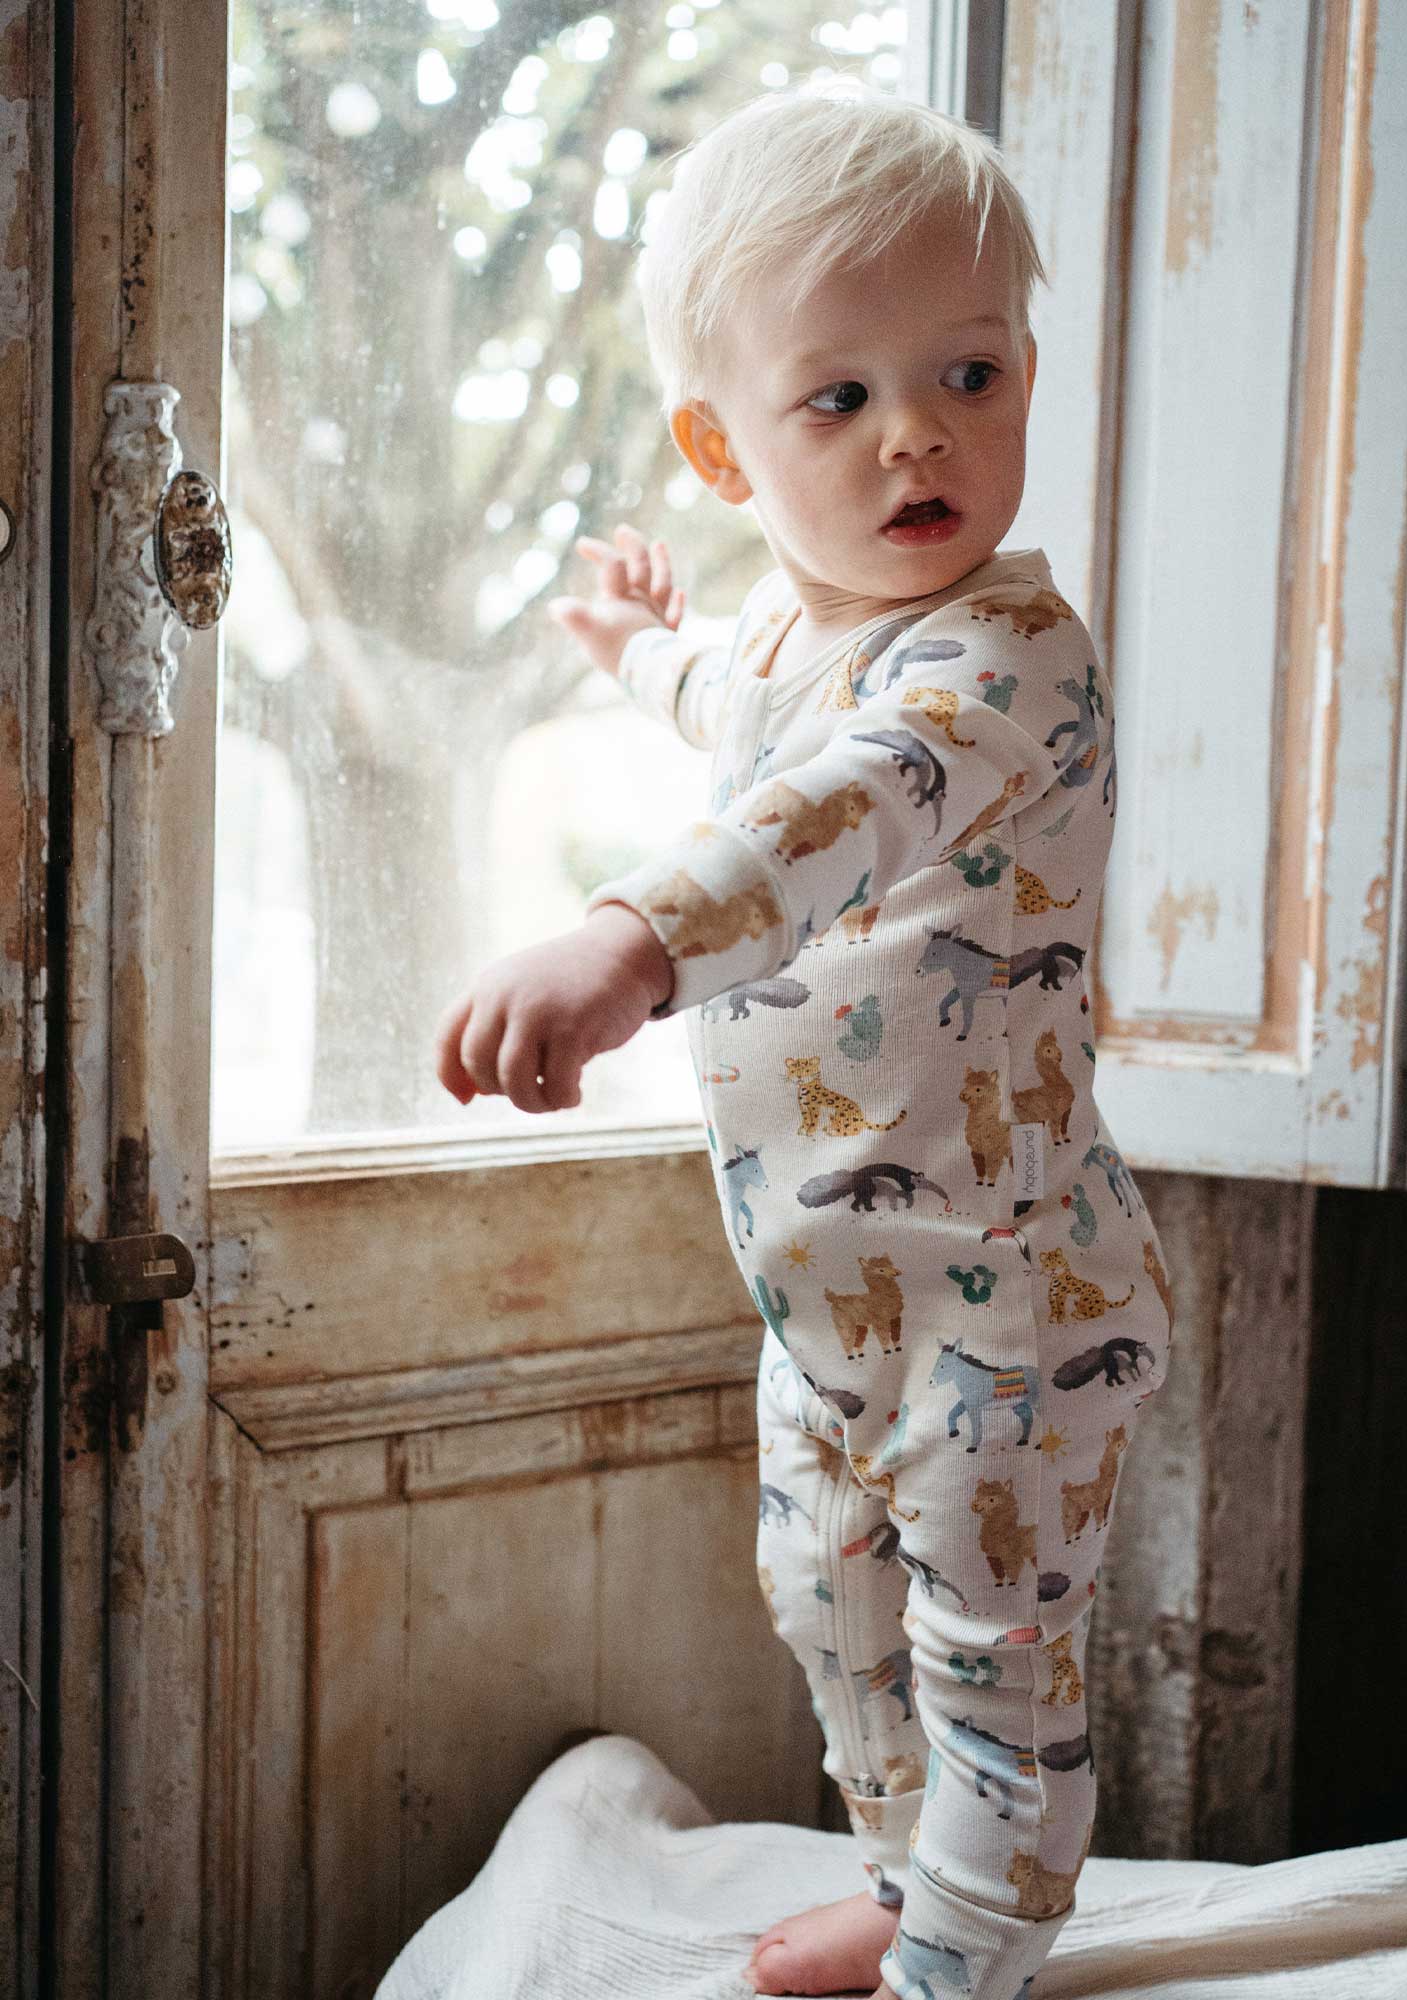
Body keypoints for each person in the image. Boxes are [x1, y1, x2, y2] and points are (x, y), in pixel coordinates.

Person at [435, 83, 1174, 2000]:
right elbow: (746, 706)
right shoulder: (793, 637)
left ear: (1026, 375)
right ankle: (909, 1876)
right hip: (833, 1286)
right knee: (829, 1600)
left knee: (988, 1647)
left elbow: (833, 808)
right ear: (723, 447)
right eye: (838, 400)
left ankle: (980, 1945)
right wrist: (642, 654)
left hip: (1008, 1295)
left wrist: (625, 942)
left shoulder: (1007, 663)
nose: (917, 432)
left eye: (968, 374)